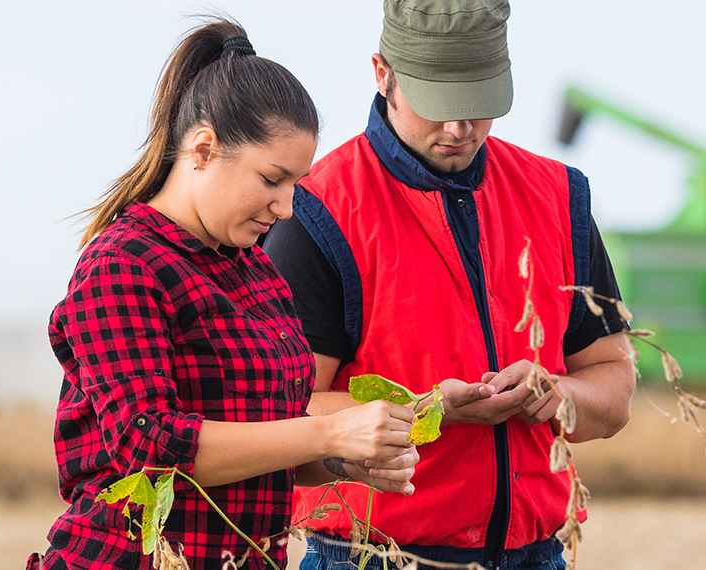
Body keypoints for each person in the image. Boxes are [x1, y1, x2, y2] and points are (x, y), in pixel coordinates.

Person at [261, 0, 638, 568]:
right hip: (370, 557)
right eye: (439, 104)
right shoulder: (314, 213)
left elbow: (615, 390)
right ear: (382, 72)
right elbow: (281, 416)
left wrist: (557, 395)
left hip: (539, 554)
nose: (460, 129)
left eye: (480, 105)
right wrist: (428, 412)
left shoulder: (561, 196)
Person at [34, 19, 420, 570]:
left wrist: (339, 460)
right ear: (203, 148)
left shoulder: (259, 273)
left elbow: (270, 442)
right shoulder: (122, 264)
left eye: (297, 184)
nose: (286, 207)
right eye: (271, 179)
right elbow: (152, 447)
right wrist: (330, 430)